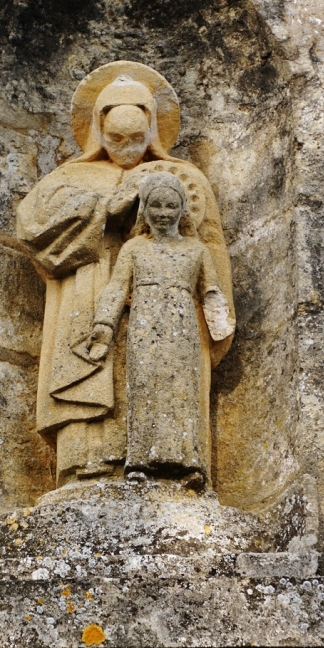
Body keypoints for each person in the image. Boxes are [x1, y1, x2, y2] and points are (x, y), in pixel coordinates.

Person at [15, 61, 234, 486]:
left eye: (137, 138)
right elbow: (34, 231)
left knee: (166, 383)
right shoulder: (70, 178)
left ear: (153, 129)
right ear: (98, 130)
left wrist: (216, 313)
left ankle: (173, 465)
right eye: (116, 138)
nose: (127, 148)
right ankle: (88, 467)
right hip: (90, 293)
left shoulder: (184, 178)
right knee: (91, 369)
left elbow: (211, 243)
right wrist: (108, 208)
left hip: (170, 310)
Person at [86, 174, 234, 487]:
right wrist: (103, 326)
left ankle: (188, 464)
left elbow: (210, 289)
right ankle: (139, 461)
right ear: (144, 209)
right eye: (156, 205)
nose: (163, 212)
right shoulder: (134, 248)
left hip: (182, 329)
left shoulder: (196, 250)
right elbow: (116, 287)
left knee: (183, 390)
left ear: (183, 209)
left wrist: (219, 322)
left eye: (171, 205)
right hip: (143, 324)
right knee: (143, 386)